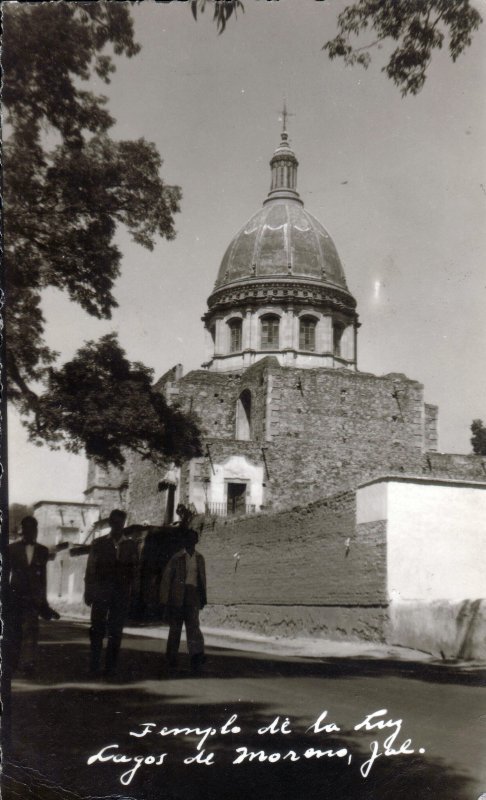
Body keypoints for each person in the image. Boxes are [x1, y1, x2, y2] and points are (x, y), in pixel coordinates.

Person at [84, 509, 138, 679]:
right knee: (97, 629)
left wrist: (133, 594)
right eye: (114, 523)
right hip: (101, 592)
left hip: (120, 594)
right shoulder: (98, 544)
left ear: (124, 524)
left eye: (120, 523)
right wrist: (89, 591)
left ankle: (110, 667)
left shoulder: (130, 545)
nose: (117, 526)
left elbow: (135, 571)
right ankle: (94, 664)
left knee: (116, 631)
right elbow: (91, 568)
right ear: (110, 523)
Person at [8, 516, 60, 677]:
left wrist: (44, 603)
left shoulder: (43, 551)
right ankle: (13, 664)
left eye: (34, 529)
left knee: (31, 632)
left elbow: (42, 578)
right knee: (15, 632)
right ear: (22, 530)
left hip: (33, 600)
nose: (32, 532)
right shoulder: (11, 549)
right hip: (14, 598)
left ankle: (28, 664)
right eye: (28, 528)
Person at [160, 528, 207, 673]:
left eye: (193, 540)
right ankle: (171, 657)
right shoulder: (177, 558)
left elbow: (203, 579)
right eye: (188, 540)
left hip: (193, 596)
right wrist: (165, 599)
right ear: (184, 541)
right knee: (176, 628)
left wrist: (203, 597)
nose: (191, 543)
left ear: (196, 541)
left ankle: (196, 656)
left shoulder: (200, 558)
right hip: (178, 596)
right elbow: (167, 579)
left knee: (193, 628)